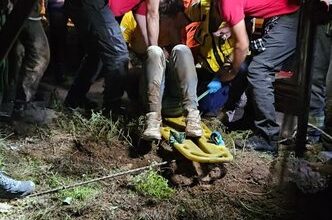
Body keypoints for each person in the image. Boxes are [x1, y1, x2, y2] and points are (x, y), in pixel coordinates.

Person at [216, 0, 300, 152]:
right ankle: (250, 122)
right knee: (253, 66)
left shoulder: (227, 2)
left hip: (288, 16)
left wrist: (232, 72)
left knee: (259, 70)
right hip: (279, 16)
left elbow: (242, 45)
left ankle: (268, 137)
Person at [64, 0, 160, 115]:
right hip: (92, 3)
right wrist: (156, 54)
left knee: (97, 53)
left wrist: (154, 51)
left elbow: (144, 16)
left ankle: (74, 99)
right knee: (118, 55)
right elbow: (153, 14)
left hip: (84, 5)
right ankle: (111, 111)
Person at [308, 0, 332, 150]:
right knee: (315, 78)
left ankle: (328, 141)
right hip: (324, 16)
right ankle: (312, 133)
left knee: (330, 86)